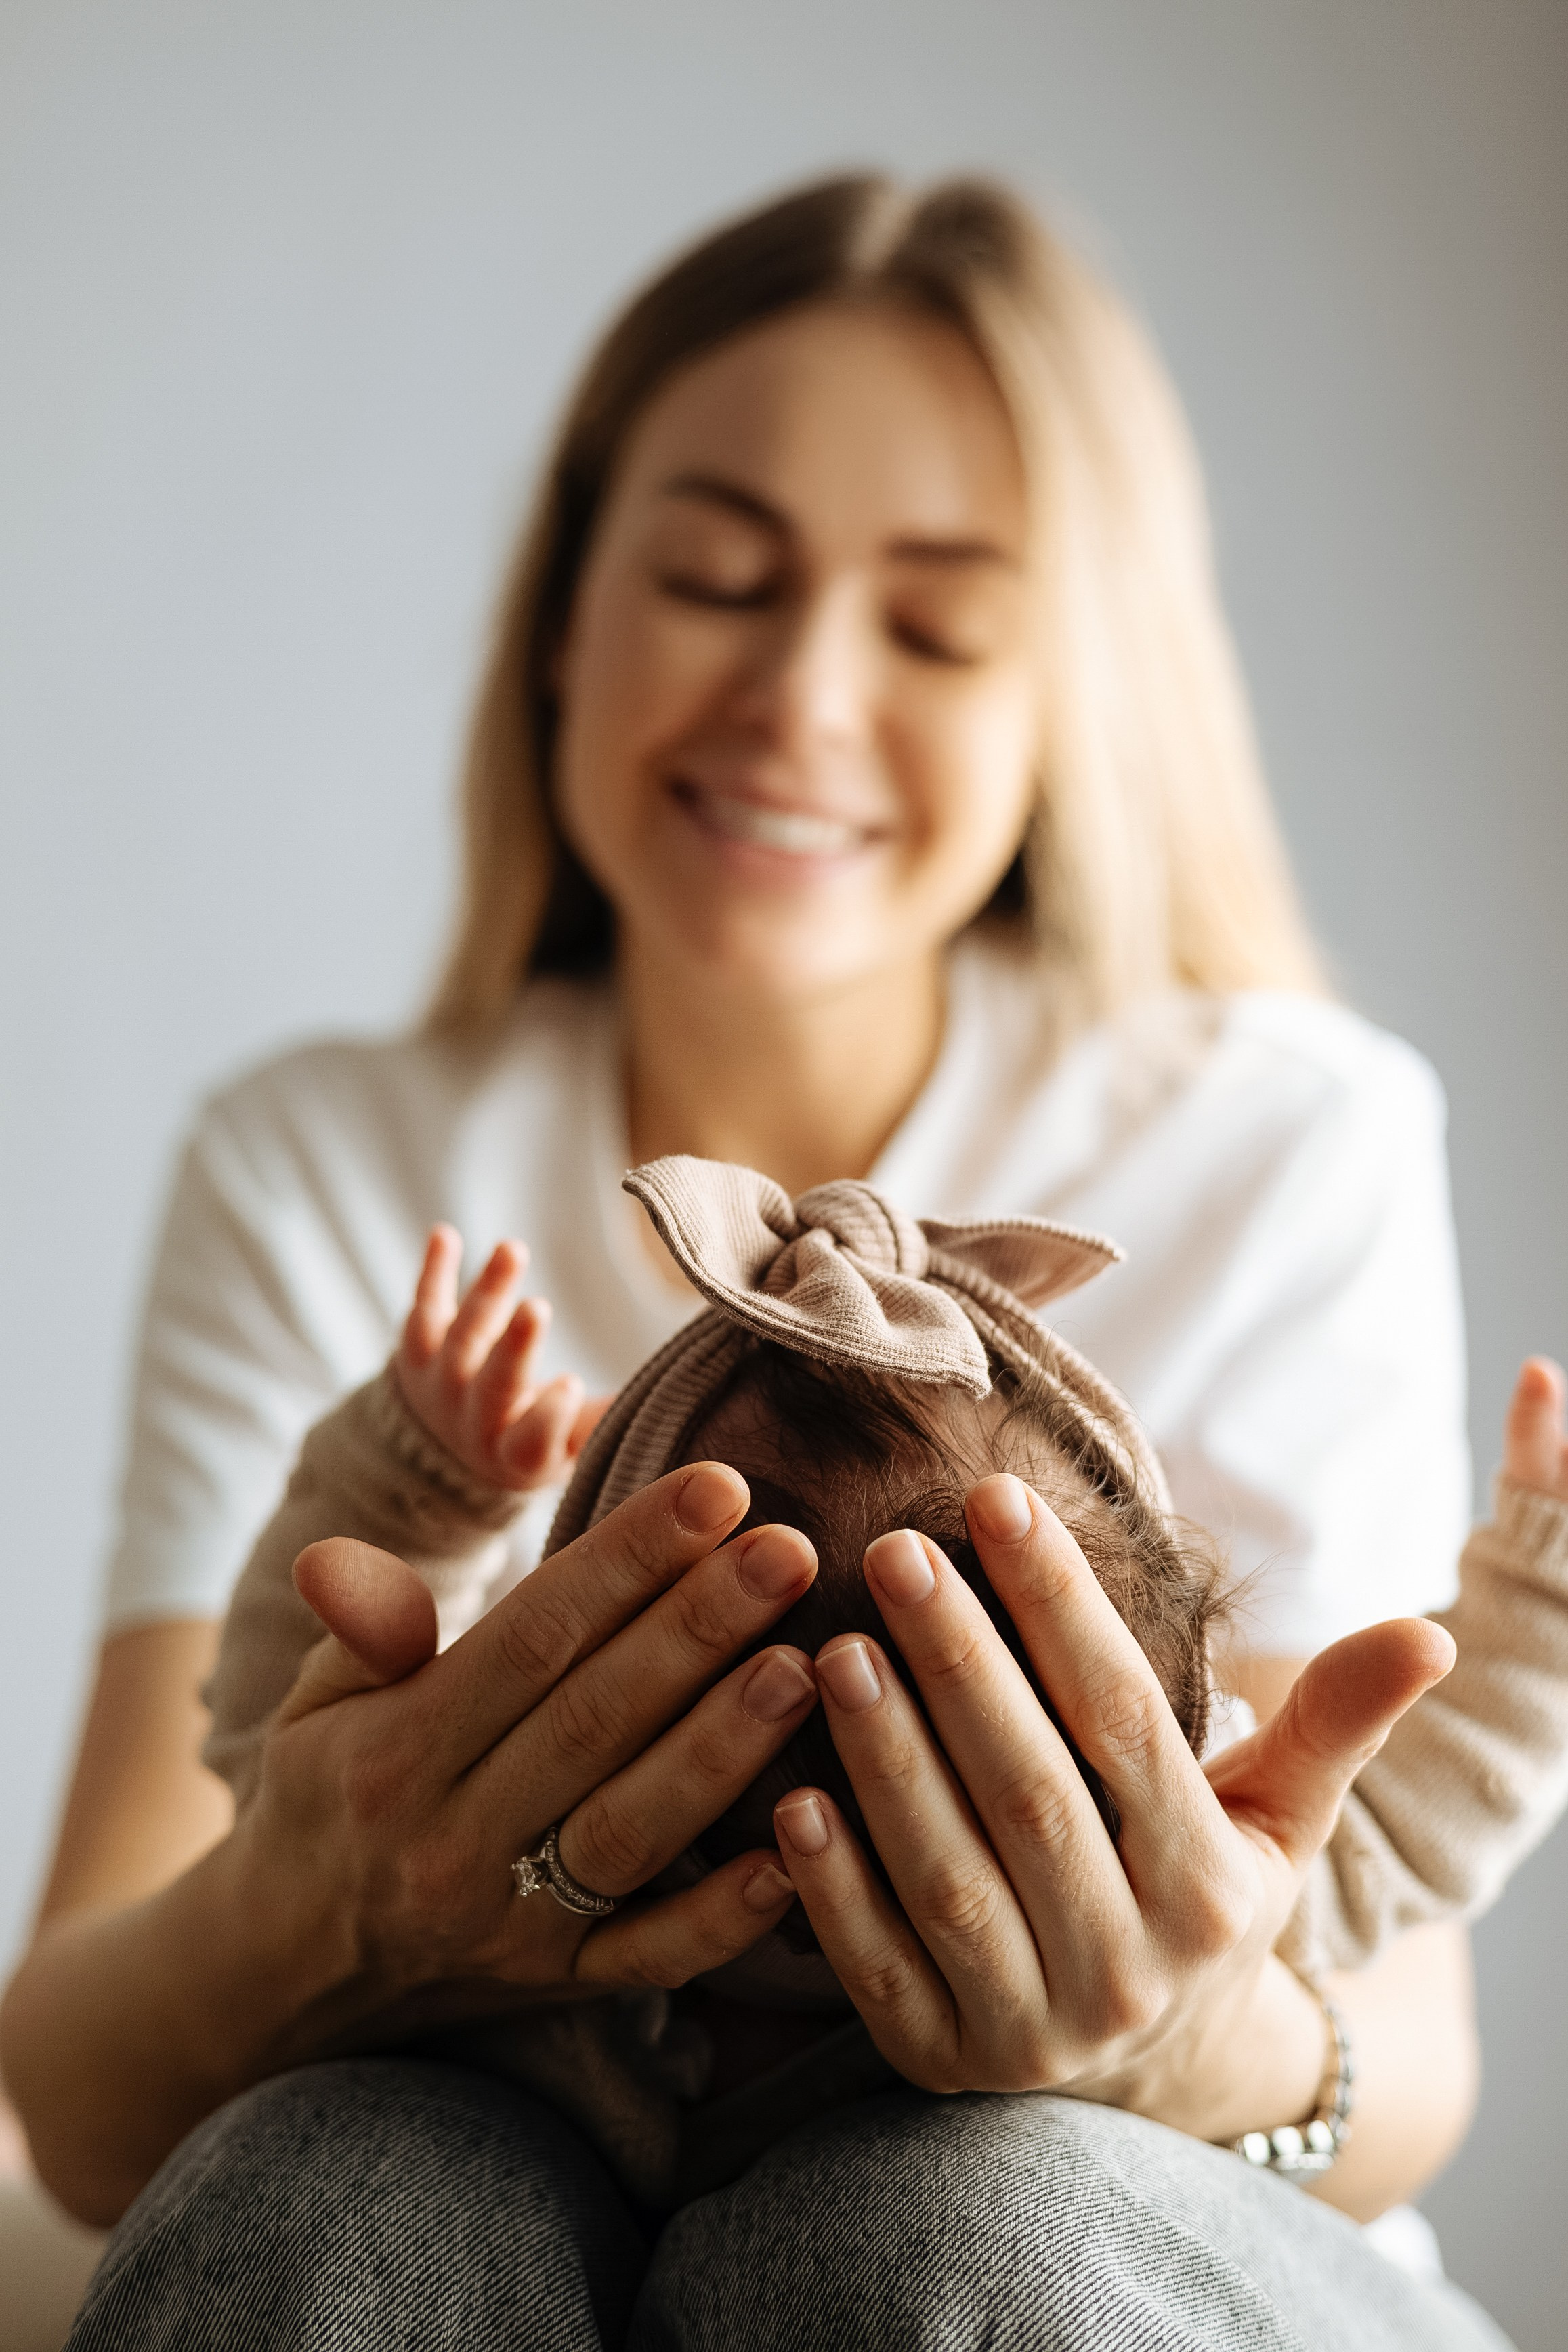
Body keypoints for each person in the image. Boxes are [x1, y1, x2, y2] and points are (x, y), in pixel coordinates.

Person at [0, 172, 1521, 2346]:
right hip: (506, 2188)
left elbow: (1399, 2068)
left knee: (927, 2229)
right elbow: (73, 2091)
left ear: (1065, 703)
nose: (803, 697)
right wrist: (322, 1907)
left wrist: (1155, 2038)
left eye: (931, 626)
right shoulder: (327, 1164)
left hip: (1131, 2255)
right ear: (561, 610)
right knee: (327, 2188)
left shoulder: (1271, 1131)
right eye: (716, 574)